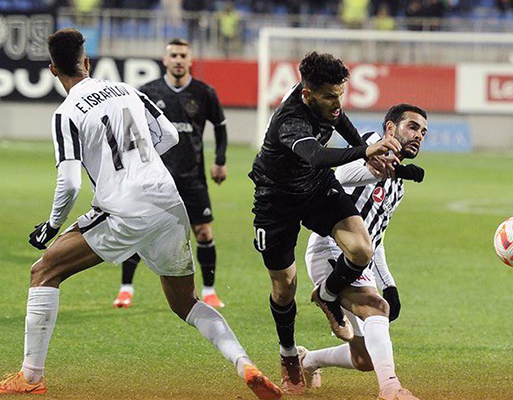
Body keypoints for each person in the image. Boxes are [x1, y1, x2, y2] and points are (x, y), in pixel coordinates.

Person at [0, 28, 282, 400]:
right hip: (169, 204)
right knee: (186, 302)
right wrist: (138, 164)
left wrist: (52, 226)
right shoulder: (126, 90)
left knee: (44, 272)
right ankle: (244, 363)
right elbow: (169, 136)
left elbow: (69, 184)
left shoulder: (65, 113)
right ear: (87, 63)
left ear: (53, 69)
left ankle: (31, 376)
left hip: (124, 209)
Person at [249, 51, 401, 394]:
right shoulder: (290, 121)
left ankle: (329, 294)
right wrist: (364, 151)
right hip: (276, 201)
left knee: (361, 249)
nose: (338, 103)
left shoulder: (325, 101)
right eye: (331, 96)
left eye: (340, 94)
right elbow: (317, 156)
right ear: (307, 94)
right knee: (284, 287)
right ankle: (289, 353)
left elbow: (340, 119)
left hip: (316, 187)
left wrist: (365, 149)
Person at [300, 104, 427, 400]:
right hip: (331, 248)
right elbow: (339, 175)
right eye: (412, 127)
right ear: (391, 128)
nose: (419, 135)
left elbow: (375, 238)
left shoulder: (398, 188)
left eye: (423, 131)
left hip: (362, 260)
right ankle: (391, 389)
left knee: (364, 359)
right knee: (376, 307)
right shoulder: (369, 143)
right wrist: (380, 170)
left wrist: (389, 284)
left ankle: (307, 361)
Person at [113, 38, 228, 309]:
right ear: (165, 60)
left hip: (193, 177)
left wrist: (220, 161)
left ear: (190, 61)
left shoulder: (204, 92)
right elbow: (131, 129)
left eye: (182, 55)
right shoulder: (148, 91)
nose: (178, 60)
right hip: (155, 177)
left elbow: (220, 125)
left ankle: (209, 291)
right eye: (173, 55)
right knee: (139, 229)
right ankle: (125, 289)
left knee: (203, 232)